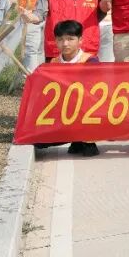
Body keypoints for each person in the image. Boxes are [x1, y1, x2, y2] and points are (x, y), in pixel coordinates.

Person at [36, 20, 100, 157]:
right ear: (56, 41)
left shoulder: (91, 61)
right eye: (60, 39)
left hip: (86, 113)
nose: (65, 44)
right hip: (62, 114)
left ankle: (86, 140)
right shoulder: (53, 63)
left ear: (80, 40)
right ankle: (75, 138)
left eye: (70, 39)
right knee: (39, 142)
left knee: (89, 151)